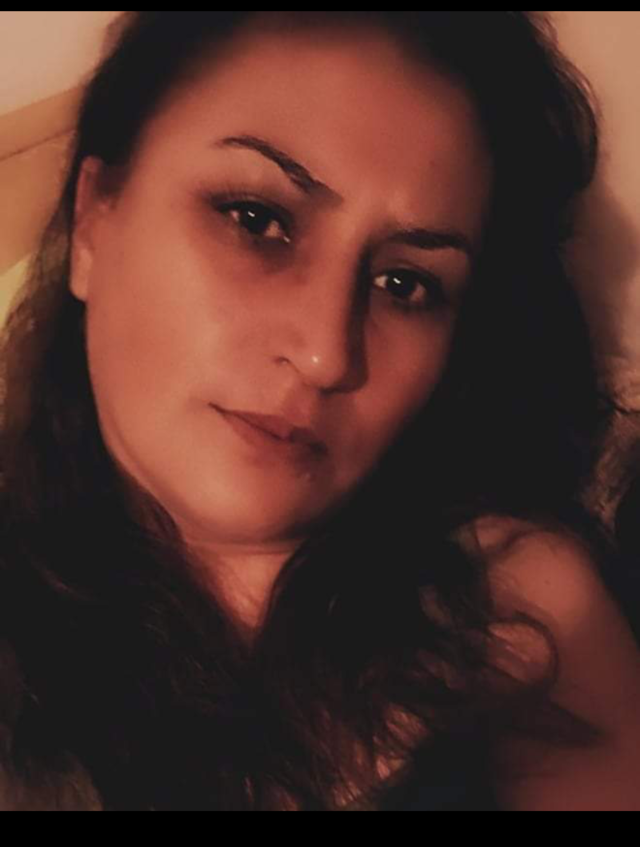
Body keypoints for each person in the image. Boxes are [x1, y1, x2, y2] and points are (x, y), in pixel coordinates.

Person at [0, 11, 639, 811]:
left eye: (405, 285)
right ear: (94, 219)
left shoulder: (515, 612)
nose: (326, 354)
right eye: (256, 219)